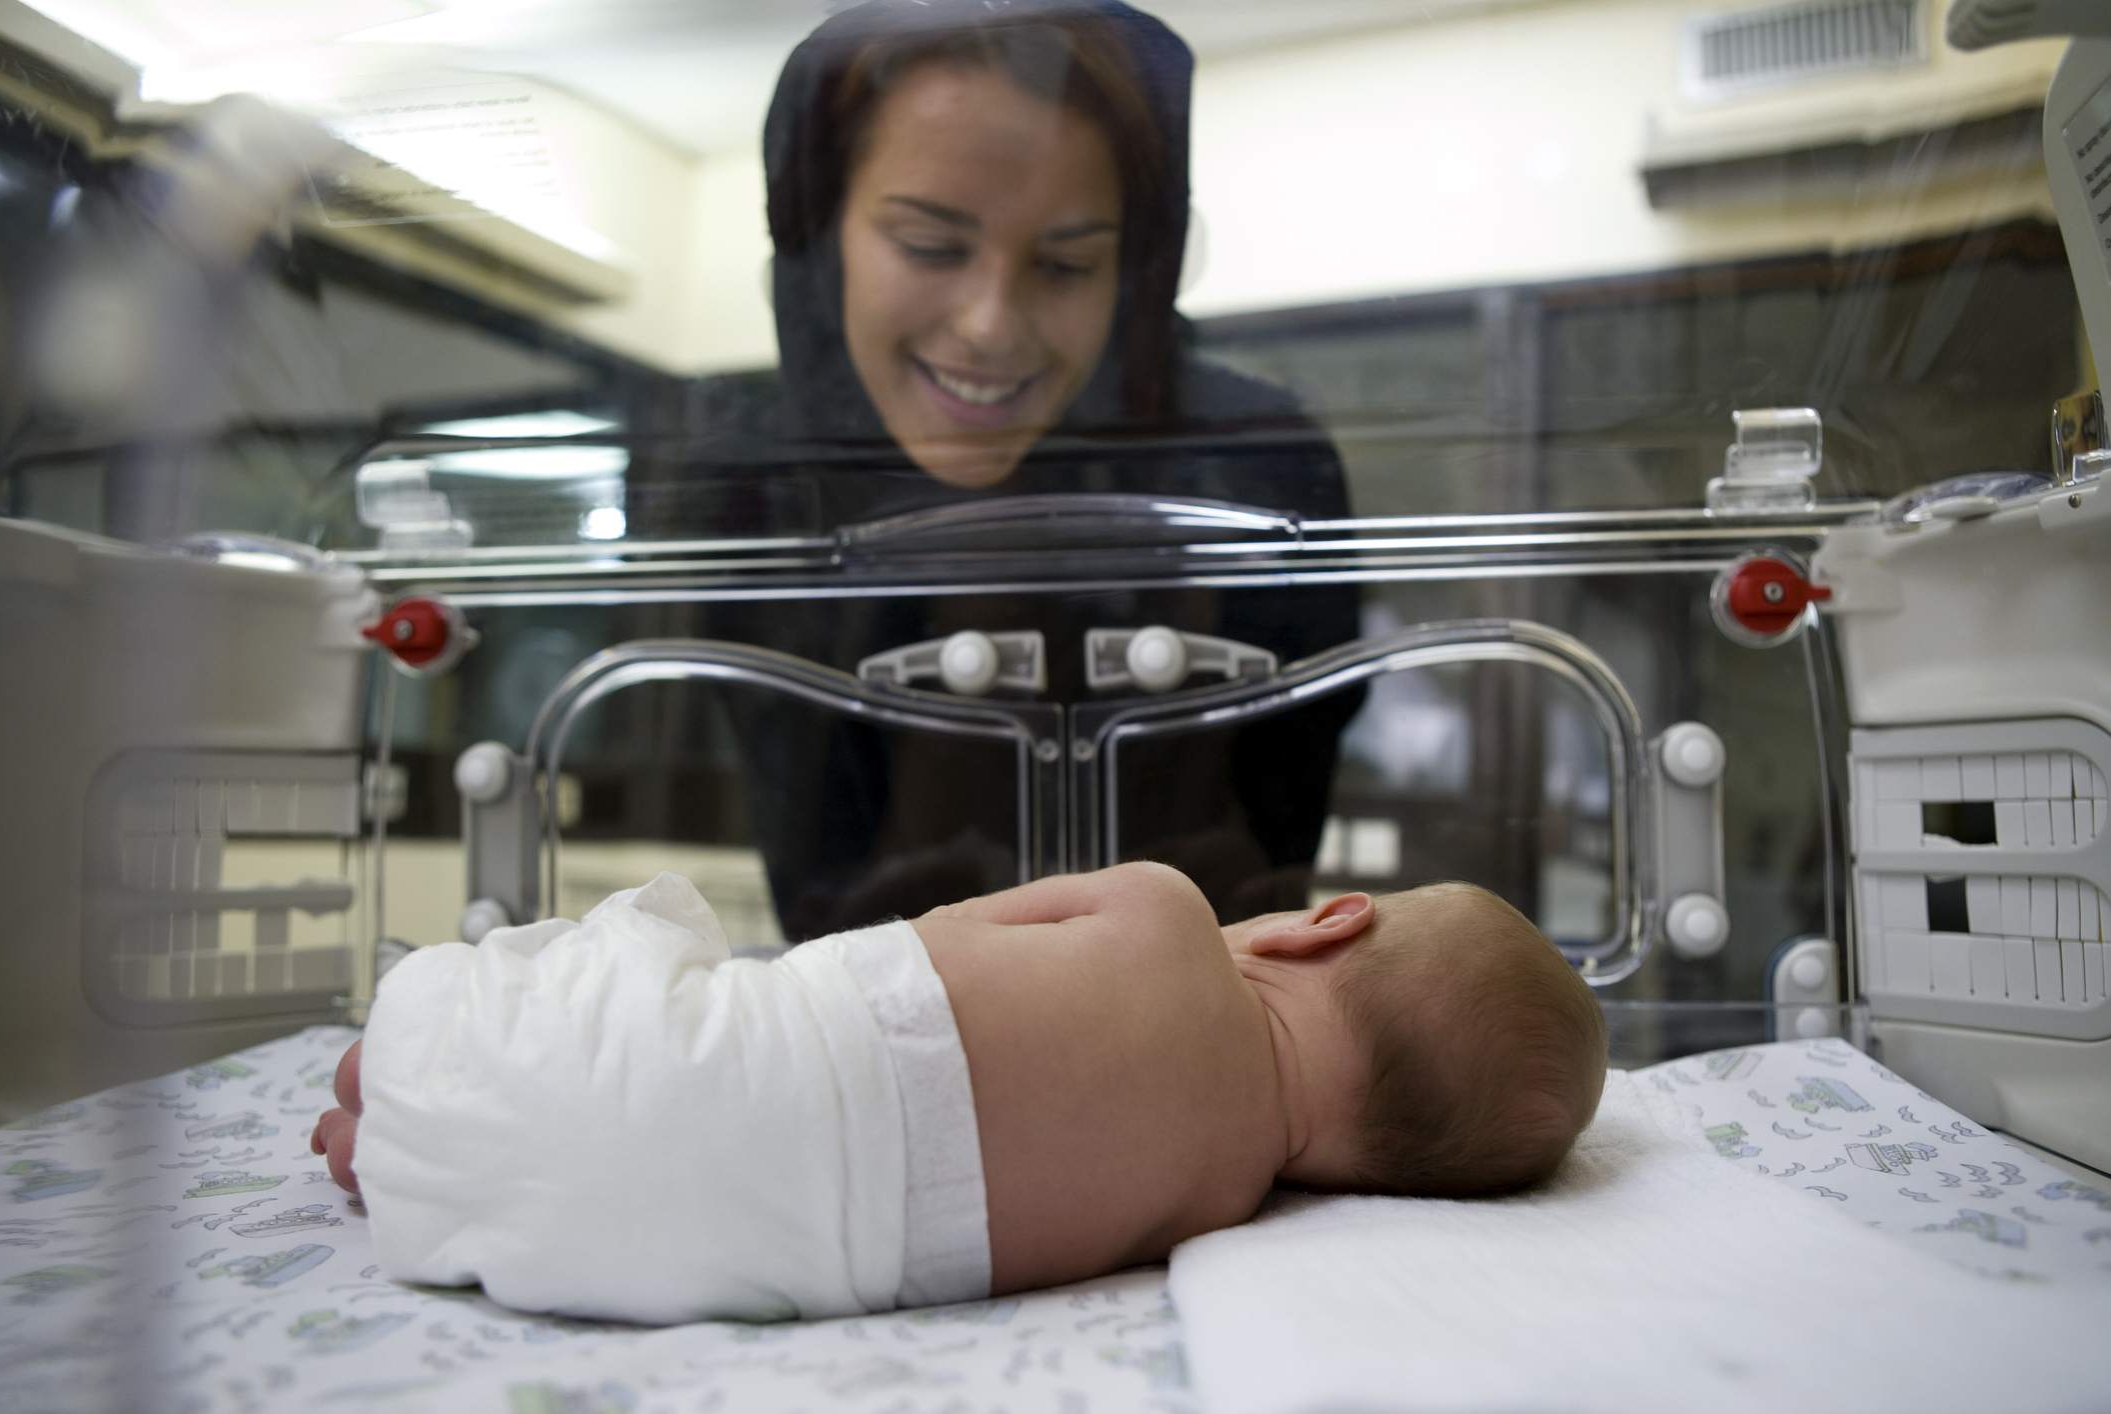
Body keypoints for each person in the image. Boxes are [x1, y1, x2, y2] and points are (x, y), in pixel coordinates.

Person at [629, 0, 1364, 938]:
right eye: (930, 246)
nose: (989, 324)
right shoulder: (754, 492)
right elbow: (823, 882)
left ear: (1134, 273)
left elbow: (1262, 861)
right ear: (821, 242)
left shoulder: (1249, 469)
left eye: (1064, 264)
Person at [312, 862, 1607, 1323]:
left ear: (1323, 924)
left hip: (728, 1066)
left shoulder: (1165, 909)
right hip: (733, 1253)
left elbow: (933, 930)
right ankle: (388, 1151)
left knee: (573, 984)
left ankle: (405, 1078)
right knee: (490, 1146)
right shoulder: (1215, 1201)